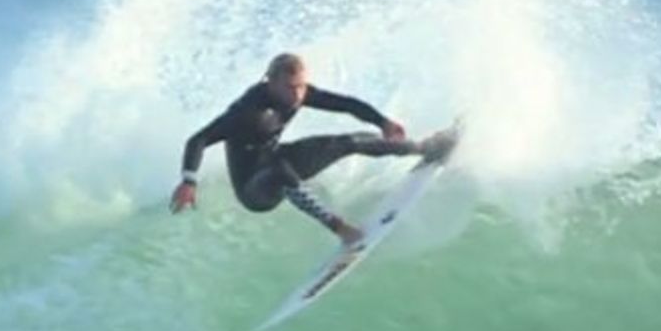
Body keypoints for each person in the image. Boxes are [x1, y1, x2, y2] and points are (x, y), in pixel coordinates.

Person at [169, 53, 454, 246]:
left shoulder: (299, 94)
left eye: (302, 87)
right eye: (291, 87)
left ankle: (425, 147)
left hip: (277, 159)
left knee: (347, 142)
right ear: (271, 83)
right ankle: (337, 227)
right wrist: (188, 181)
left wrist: (383, 122)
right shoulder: (247, 111)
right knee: (280, 171)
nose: (297, 95)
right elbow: (198, 139)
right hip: (254, 189)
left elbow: (345, 104)